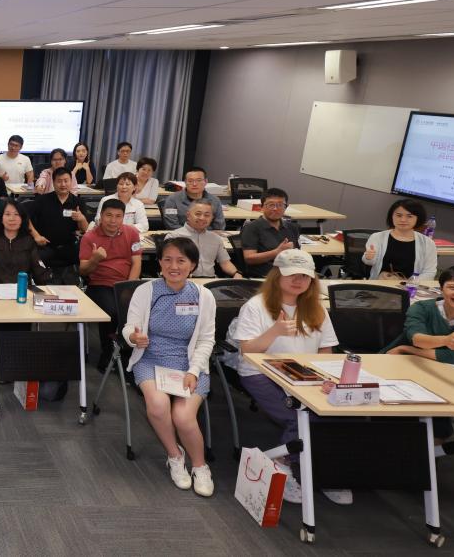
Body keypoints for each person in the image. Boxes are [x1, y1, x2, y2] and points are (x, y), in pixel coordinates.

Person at [229, 249, 349, 506]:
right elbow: (247, 350)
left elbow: (325, 351)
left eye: (304, 276)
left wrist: (325, 378)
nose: (298, 280)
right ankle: (294, 468)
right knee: (299, 417)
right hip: (260, 372)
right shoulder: (256, 306)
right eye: (291, 274)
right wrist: (275, 331)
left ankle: (321, 469)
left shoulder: (317, 308)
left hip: (305, 375)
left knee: (331, 412)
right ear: (277, 275)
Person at [122, 237, 216, 497]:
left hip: (189, 363)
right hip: (151, 358)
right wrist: (134, 338)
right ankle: (175, 456)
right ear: (160, 263)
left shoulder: (204, 296)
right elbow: (129, 327)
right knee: (158, 405)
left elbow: (206, 339)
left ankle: (200, 466)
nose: (174, 266)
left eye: (181, 261)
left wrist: (194, 371)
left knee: (183, 417)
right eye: (167, 260)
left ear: (193, 265)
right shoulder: (146, 291)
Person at [383, 265, 454, 364]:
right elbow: (417, 340)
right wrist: (446, 341)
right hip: (397, 359)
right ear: (441, 289)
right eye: (452, 287)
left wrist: (406, 349)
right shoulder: (421, 308)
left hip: (441, 367)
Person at [80, 199, 143, 368]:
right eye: (108, 215)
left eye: (118, 216)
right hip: (100, 284)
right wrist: (95, 259)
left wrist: (129, 287)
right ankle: (108, 352)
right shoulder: (89, 237)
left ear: (123, 217)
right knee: (112, 311)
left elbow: (136, 262)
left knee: (139, 309)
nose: (113, 220)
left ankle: (129, 352)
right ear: (101, 216)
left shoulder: (132, 233)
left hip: (127, 283)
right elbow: (83, 271)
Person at [0, 200, 47, 285]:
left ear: (22, 219)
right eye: (7, 214)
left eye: (16, 214)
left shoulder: (29, 241)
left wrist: (49, 285)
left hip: (21, 289)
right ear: (1, 219)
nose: (12, 219)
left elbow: (39, 271)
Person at [362, 199, 437, 280]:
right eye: (399, 215)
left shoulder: (428, 243)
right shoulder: (377, 237)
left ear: (418, 218)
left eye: (409, 216)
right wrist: (368, 257)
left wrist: (409, 284)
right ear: (392, 216)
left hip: (410, 286)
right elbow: (369, 262)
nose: (403, 220)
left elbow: (429, 272)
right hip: (380, 283)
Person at [28, 169, 87, 270]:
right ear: (53, 183)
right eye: (59, 181)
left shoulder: (78, 202)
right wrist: (36, 236)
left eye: (66, 181)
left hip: (69, 246)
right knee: (32, 261)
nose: (63, 184)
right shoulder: (42, 200)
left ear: (71, 181)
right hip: (45, 246)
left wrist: (81, 219)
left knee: (84, 260)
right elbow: (25, 218)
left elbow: (85, 229)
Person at [167, 201, 241, 278]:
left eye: (207, 215)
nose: (202, 218)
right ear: (188, 215)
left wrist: (236, 273)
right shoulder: (174, 237)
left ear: (212, 218)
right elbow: (168, 264)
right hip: (184, 279)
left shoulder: (215, 238)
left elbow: (225, 262)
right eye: (198, 214)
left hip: (210, 279)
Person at [240, 188, 299, 278]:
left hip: (291, 273)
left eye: (280, 205)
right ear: (262, 207)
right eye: (271, 205)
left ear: (286, 207)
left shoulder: (292, 227)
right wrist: (277, 252)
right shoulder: (251, 227)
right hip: (265, 276)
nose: (275, 209)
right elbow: (249, 258)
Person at [161, 166, 224, 230]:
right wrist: (192, 233)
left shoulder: (215, 200)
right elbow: (171, 225)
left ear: (206, 181)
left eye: (199, 180)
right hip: (181, 234)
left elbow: (219, 226)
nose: (194, 184)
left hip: (207, 234)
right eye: (190, 181)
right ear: (185, 182)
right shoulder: (173, 199)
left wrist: (203, 233)